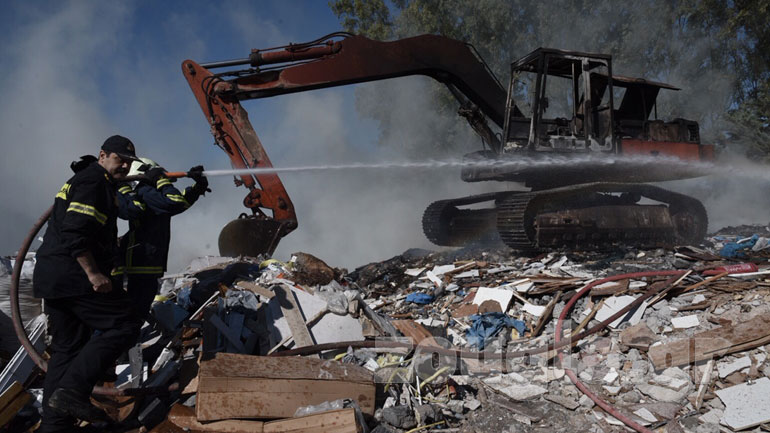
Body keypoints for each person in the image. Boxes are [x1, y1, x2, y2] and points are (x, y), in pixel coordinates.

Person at [33, 135, 141, 431]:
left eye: (130, 162)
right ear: (103, 155)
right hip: (74, 276)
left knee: (67, 348)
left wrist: (146, 178)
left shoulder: (91, 180)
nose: (126, 165)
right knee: (125, 323)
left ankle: (54, 427)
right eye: (121, 160)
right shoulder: (94, 183)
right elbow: (75, 232)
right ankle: (72, 392)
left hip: (53, 276)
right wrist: (94, 273)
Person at [114, 158, 209, 323]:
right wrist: (161, 180)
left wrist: (198, 186)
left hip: (148, 262)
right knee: (135, 312)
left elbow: (180, 202)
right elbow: (176, 202)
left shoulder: (150, 195)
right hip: (143, 264)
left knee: (136, 311)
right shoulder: (145, 192)